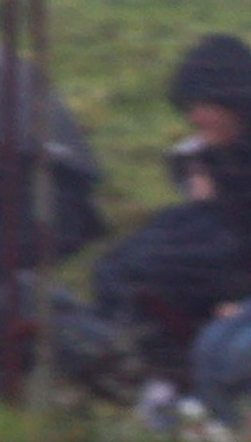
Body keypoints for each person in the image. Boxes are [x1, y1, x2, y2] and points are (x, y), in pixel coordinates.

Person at [95, 36, 251, 394]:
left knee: (151, 263)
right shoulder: (214, 153)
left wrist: (211, 198)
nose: (193, 118)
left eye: (201, 106)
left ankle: (136, 350)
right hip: (212, 239)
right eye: (189, 108)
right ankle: (121, 342)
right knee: (119, 262)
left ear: (232, 102)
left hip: (232, 256)